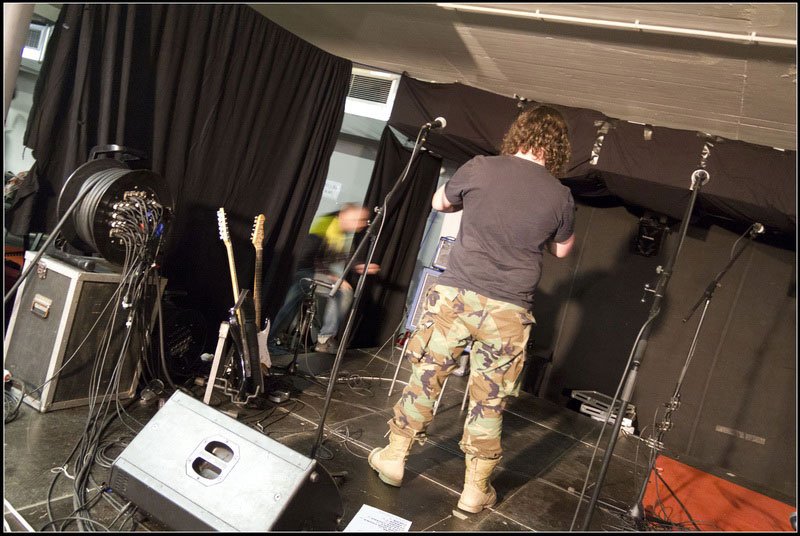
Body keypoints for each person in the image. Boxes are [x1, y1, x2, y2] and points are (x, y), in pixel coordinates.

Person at [368, 105, 576, 513]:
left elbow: (439, 202)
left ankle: (394, 458)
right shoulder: (561, 195)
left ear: (519, 134)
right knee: (489, 399)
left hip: (457, 297)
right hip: (509, 310)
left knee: (427, 376)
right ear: (556, 148)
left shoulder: (480, 167)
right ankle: (474, 490)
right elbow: (563, 250)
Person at [271, 203, 379, 354]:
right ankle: (322, 339)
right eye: (358, 219)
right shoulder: (325, 225)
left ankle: (323, 339)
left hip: (318, 272)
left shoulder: (343, 234)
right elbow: (308, 256)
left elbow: (346, 257)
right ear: (344, 216)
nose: (361, 224)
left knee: (342, 291)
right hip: (305, 272)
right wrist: (332, 277)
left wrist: (360, 266)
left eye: (363, 220)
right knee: (342, 291)